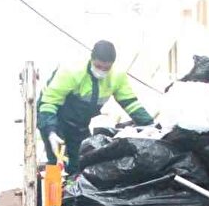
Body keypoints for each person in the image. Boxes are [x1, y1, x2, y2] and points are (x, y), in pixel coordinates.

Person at [37, 40, 154, 172]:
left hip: (79, 121)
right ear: (92, 59)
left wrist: (150, 125)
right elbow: (49, 102)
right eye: (98, 66)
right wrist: (51, 131)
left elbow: (131, 103)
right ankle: (57, 186)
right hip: (53, 113)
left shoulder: (117, 76)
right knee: (58, 159)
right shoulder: (71, 71)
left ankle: (74, 183)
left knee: (82, 158)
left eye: (106, 68)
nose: (102, 71)